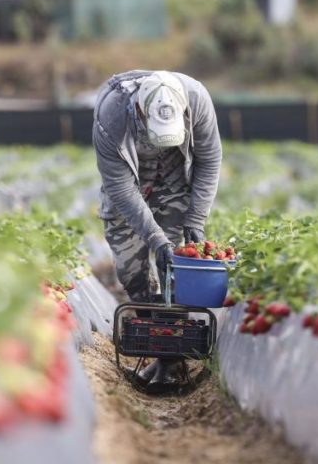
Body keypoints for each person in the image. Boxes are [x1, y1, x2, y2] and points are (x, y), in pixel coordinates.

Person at [92, 70, 222, 391]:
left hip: (176, 178)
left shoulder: (197, 100)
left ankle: (170, 360)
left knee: (173, 271)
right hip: (130, 185)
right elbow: (122, 189)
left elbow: (209, 160)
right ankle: (159, 349)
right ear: (138, 111)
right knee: (131, 271)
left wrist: (195, 219)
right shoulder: (111, 115)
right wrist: (154, 238)